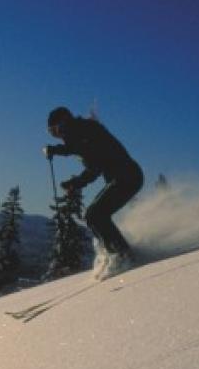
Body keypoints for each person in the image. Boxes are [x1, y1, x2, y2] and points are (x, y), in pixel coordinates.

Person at [43, 106, 144, 277]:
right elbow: (80, 154)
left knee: (95, 215)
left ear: (62, 125)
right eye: (52, 134)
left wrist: (75, 182)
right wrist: (55, 151)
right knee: (94, 216)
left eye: (55, 131)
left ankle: (123, 256)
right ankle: (116, 253)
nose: (57, 136)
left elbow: (93, 165)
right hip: (125, 177)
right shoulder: (82, 132)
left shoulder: (84, 133)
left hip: (127, 177)